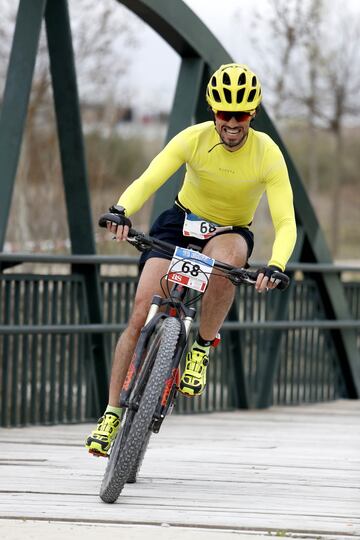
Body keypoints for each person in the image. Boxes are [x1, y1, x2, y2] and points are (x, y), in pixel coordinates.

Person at [86, 63, 297, 456]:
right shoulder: (193, 138)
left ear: (253, 114)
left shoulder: (268, 153)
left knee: (230, 259)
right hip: (179, 223)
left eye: (241, 115)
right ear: (213, 111)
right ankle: (112, 412)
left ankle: (200, 346)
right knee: (139, 314)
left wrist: (277, 264)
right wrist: (121, 209)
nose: (232, 123)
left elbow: (286, 220)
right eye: (224, 114)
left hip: (229, 230)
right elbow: (151, 177)